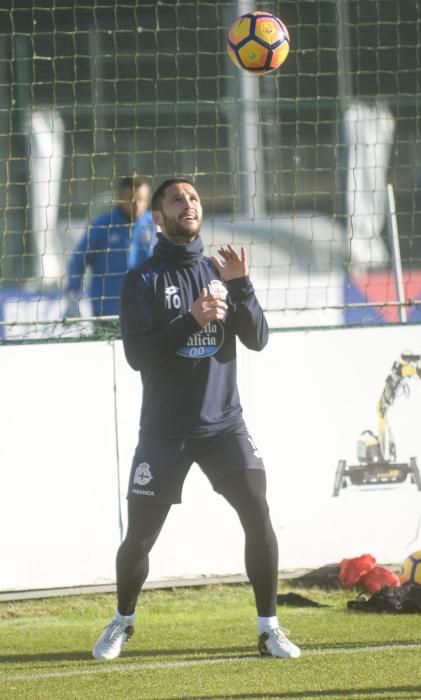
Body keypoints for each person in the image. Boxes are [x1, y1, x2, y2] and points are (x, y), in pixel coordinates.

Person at [92, 177, 301, 661]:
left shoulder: (221, 270)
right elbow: (139, 356)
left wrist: (241, 285)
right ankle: (123, 620)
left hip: (224, 426)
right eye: (176, 199)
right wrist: (190, 319)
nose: (188, 203)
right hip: (164, 432)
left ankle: (269, 627)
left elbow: (258, 339)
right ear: (158, 217)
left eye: (194, 197)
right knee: (140, 537)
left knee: (257, 511)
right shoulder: (141, 279)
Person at [64, 176, 155, 318]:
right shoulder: (102, 225)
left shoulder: (156, 225)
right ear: (119, 197)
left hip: (147, 311)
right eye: (130, 198)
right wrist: (73, 295)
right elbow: (79, 259)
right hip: (107, 312)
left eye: (141, 198)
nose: (136, 204)